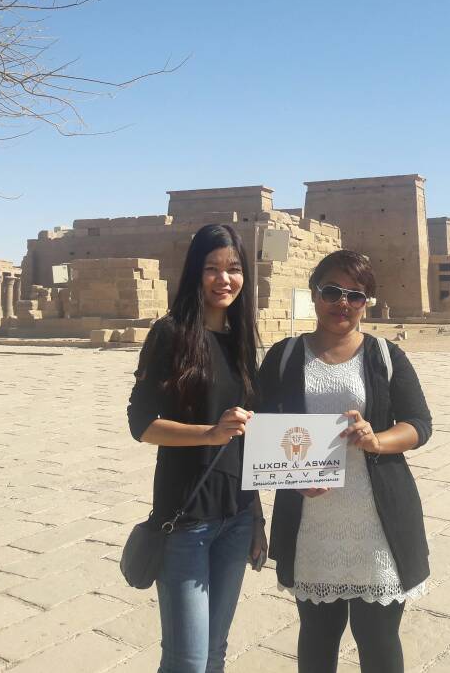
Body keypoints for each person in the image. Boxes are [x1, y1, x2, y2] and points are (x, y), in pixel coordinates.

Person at [259, 250, 433, 673]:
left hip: (377, 525)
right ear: (314, 295)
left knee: (379, 642)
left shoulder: (385, 355)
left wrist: (378, 439)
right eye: (332, 291)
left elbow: (419, 424)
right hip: (312, 524)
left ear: (366, 302)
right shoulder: (284, 356)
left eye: (355, 295)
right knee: (317, 642)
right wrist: (291, 477)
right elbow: (261, 426)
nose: (343, 303)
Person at [127, 224, 267, 673]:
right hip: (187, 517)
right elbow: (142, 424)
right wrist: (208, 433)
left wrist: (258, 518)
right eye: (212, 268)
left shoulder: (242, 339)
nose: (224, 279)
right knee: (186, 659)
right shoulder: (170, 334)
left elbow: (250, 441)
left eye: (233, 269)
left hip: (237, 517)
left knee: (214, 654)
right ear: (195, 273)